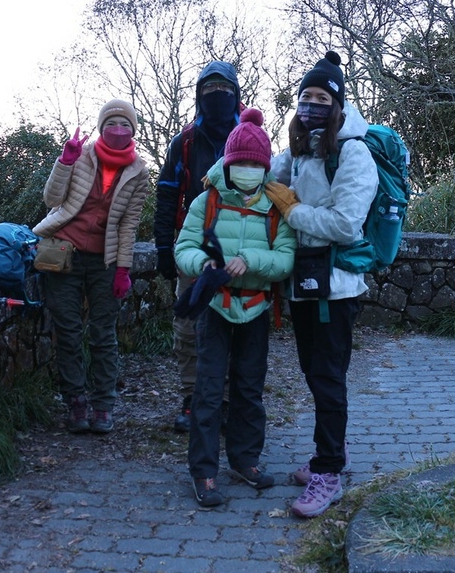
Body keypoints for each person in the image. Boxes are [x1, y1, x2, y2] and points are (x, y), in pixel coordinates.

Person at [265, 51, 377, 518]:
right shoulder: (301, 150)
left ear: (338, 103)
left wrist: (292, 211)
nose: (312, 104)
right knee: (315, 375)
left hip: (337, 286)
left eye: (322, 97)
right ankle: (327, 455)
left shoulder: (353, 152)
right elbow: (259, 176)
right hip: (304, 283)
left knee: (328, 380)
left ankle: (328, 471)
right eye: (306, 96)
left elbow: (348, 224)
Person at [175, 108, 296, 507]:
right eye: (239, 162)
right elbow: (184, 248)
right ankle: (204, 472)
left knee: (249, 389)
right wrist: (203, 263)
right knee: (208, 392)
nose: (246, 169)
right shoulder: (206, 201)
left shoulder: (277, 208)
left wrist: (251, 259)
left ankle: (245, 460)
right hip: (215, 307)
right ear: (227, 165)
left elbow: (285, 259)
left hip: (257, 309)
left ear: (264, 168)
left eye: (253, 164)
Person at [32, 99, 150, 434]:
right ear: (101, 127)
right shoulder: (81, 156)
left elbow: (129, 225)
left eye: (125, 125)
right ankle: (76, 403)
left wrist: (123, 270)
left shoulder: (139, 172)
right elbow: (52, 200)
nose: (118, 130)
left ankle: (103, 405)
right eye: (111, 124)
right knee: (67, 332)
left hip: (105, 260)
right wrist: (64, 161)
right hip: (63, 253)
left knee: (103, 334)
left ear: (133, 131)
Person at [155, 61, 242, 433]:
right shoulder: (184, 142)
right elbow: (166, 195)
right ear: (197, 95)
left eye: (223, 88)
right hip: (193, 245)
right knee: (188, 324)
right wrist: (163, 248)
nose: (216, 96)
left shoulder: (249, 136)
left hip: (241, 246)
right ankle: (192, 400)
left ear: (236, 94)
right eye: (208, 90)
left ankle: (224, 402)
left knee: (234, 324)